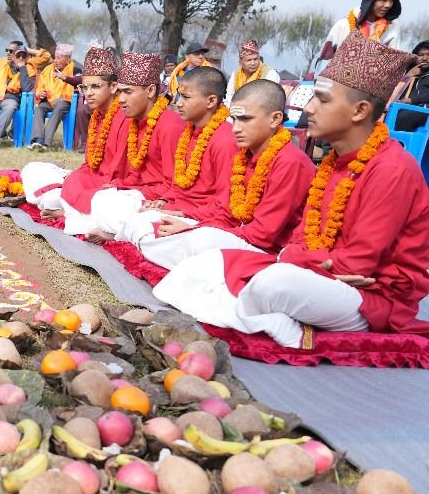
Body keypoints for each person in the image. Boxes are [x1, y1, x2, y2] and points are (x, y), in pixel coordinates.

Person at [155, 33, 429, 347]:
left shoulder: (392, 169)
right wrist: (297, 255)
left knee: (274, 283)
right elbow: (300, 239)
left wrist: (295, 258)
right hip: (313, 271)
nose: (308, 108)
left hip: (371, 299)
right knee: (201, 266)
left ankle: (283, 328)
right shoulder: (334, 163)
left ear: (360, 111)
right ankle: (262, 319)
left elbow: (356, 265)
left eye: (322, 99)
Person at [121, 79, 314, 270]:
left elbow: (263, 234)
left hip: (271, 252)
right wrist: (178, 214)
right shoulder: (245, 154)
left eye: (245, 119)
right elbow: (225, 210)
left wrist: (192, 227)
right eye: (235, 119)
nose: (236, 128)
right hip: (230, 232)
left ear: (275, 119)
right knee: (144, 225)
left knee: (199, 241)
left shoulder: (289, 162)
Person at [116, 66, 238, 248]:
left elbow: (225, 208)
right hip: (181, 209)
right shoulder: (189, 133)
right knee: (133, 218)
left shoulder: (225, 140)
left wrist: (180, 213)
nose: (178, 103)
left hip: (204, 219)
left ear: (211, 101)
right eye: (179, 96)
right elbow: (178, 186)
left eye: (186, 97)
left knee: (143, 227)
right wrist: (163, 202)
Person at [84, 52, 187, 240]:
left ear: (150, 91)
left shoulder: (169, 125)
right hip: (139, 194)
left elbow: (175, 185)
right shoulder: (135, 122)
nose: (121, 98)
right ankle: (119, 231)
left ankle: (117, 233)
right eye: (120, 91)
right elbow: (134, 176)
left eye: (128, 92)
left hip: (158, 200)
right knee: (102, 199)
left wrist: (157, 200)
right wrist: (119, 186)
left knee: (113, 207)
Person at [22, 47, 121, 219]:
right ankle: (71, 205)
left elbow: (119, 177)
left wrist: (82, 186)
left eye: (96, 87)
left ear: (113, 87)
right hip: (90, 181)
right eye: (85, 87)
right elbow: (90, 165)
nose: (88, 93)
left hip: (109, 190)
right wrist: (75, 180)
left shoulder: (122, 118)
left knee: (57, 198)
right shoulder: (97, 115)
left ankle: (71, 210)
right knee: (31, 170)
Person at [320, 0, 403, 63]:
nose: (388, 5)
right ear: (371, 0)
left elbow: (394, 61)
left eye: (391, 0)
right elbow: (324, 60)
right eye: (383, 0)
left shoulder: (393, 26)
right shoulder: (344, 25)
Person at [0, 45, 46, 146]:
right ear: (13, 56)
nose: (20, 58)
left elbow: (26, 88)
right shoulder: (2, 67)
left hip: (12, 98)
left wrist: (22, 68)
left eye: (23, 56)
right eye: (18, 55)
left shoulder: (30, 70)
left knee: (10, 107)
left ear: (27, 58)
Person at [33, 43, 79, 148]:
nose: (55, 61)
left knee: (59, 107)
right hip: (49, 100)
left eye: (59, 58)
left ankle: (46, 143)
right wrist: (41, 93)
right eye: (55, 57)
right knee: (39, 108)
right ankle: (38, 139)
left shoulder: (75, 71)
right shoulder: (47, 70)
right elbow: (41, 86)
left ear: (68, 59)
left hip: (65, 101)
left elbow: (77, 86)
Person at [387, 40, 429, 131]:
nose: (425, 58)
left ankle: (398, 145)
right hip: (405, 108)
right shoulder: (409, 72)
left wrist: (412, 100)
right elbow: (396, 93)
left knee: (404, 116)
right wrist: (409, 75)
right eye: (421, 55)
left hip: (425, 109)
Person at [226, 40, 280, 104]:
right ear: (240, 63)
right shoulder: (236, 73)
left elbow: (269, 98)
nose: (253, 63)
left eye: (255, 59)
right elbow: (229, 95)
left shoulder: (270, 73)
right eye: (249, 60)